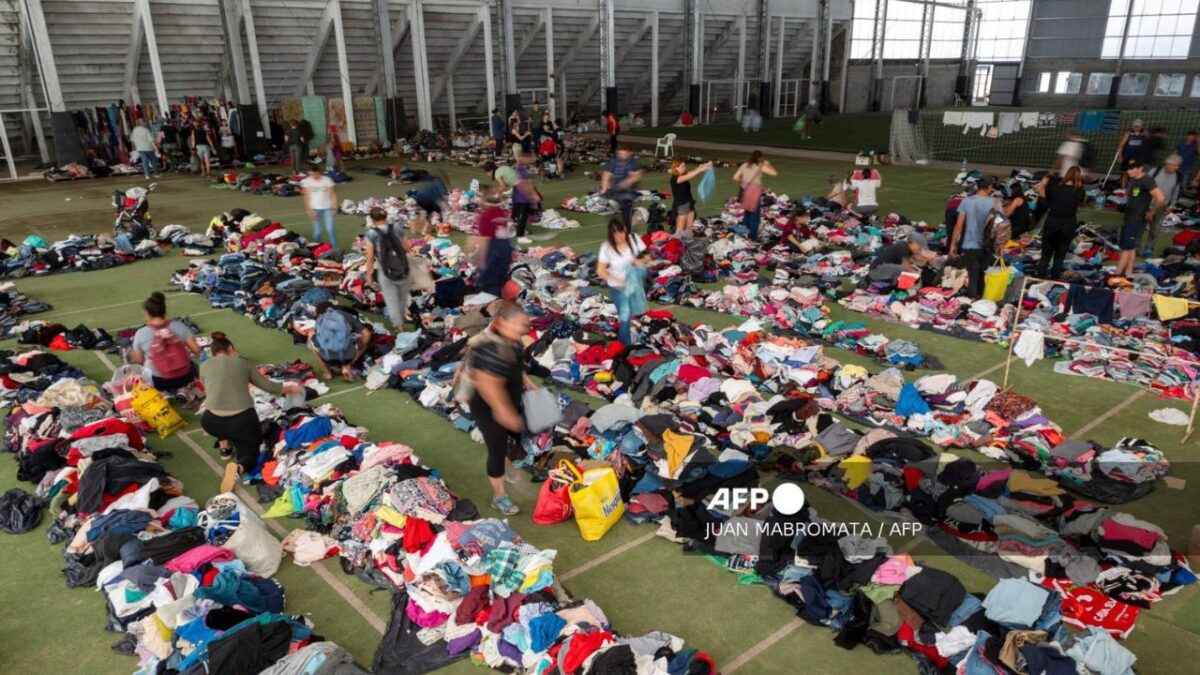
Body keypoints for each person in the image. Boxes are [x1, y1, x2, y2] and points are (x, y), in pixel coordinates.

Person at [200, 332, 302, 493]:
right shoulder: (242, 363)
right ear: (231, 348)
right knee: (250, 453)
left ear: (213, 353)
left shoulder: (204, 366)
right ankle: (239, 469)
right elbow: (270, 387)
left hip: (210, 422)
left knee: (221, 413)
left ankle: (224, 446)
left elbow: (215, 391)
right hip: (241, 422)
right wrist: (290, 387)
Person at [465, 300, 535, 516]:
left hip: (508, 396)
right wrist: (503, 412)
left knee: (513, 436)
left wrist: (529, 384)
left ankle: (505, 461)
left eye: (525, 325)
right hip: (487, 405)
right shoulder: (489, 348)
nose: (523, 330)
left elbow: (517, 366)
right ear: (503, 323)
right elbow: (487, 385)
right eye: (519, 325)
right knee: (496, 449)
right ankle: (499, 497)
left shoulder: (515, 343)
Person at [129, 292, 202, 392]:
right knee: (192, 364)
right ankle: (184, 389)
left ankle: (165, 393)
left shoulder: (140, 333)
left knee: (144, 367)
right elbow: (197, 351)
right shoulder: (179, 326)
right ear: (164, 311)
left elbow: (139, 361)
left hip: (158, 381)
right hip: (185, 377)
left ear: (147, 314)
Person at [596, 219, 646, 345]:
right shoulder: (606, 247)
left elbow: (647, 255)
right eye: (616, 235)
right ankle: (625, 345)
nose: (620, 237)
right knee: (625, 317)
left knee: (631, 315)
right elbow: (600, 270)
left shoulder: (634, 239)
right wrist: (617, 282)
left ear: (625, 230)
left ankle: (622, 342)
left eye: (621, 233)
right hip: (617, 288)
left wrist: (640, 261)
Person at [1115, 159, 1166, 278]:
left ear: (1140, 168)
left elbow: (1161, 198)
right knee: (1130, 246)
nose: (1129, 171)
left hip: (1136, 219)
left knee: (1126, 248)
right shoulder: (1134, 179)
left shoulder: (1147, 180)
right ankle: (1128, 272)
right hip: (1129, 217)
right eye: (1128, 169)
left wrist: (1151, 212)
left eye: (1132, 169)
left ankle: (1117, 275)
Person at [363, 207, 412, 329]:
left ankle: (399, 327)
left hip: (385, 271)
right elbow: (407, 247)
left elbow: (370, 258)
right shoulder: (397, 227)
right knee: (402, 298)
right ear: (385, 217)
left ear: (372, 219)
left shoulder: (371, 234)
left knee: (391, 300)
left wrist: (369, 275)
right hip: (403, 268)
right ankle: (401, 320)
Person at [1035, 167, 1086, 279]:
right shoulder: (1080, 191)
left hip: (1052, 222)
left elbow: (1043, 196)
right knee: (1060, 256)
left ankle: (1039, 278)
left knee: (1046, 255)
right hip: (1068, 225)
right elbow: (1082, 200)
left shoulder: (1055, 188)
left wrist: (1043, 184)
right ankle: (1054, 279)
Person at [949, 177, 996, 297]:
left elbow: (958, 226)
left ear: (977, 187)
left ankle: (972, 300)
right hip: (987, 245)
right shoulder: (995, 203)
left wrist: (953, 245)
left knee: (973, 276)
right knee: (981, 274)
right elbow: (1000, 227)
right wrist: (1000, 246)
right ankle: (980, 299)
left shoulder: (966, 201)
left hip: (970, 245)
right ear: (989, 187)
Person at [309, 301, 372, 381]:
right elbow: (366, 333)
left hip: (328, 358)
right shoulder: (345, 315)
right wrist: (361, 348)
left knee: (310, 336)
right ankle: (346, 366)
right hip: (349, 357)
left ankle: (327, 373)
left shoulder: (320, 319)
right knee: (359, 338)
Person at [1143, 154, 1183, 256]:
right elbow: (1144, 185)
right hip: (1146, 204)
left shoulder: (1178, 176)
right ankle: (1135, 246)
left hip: (1162, 207)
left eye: (1178, 166)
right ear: (1168, 163)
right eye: (1175, 165)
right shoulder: (1154, 172)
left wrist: (1171, 206)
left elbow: (1175, 192)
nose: (1177, 168)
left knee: (1155, 229)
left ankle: (1149, 247)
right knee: (1139, 226)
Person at [732, 151, 778, 240]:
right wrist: (768, 164)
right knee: (754, 215)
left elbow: (735, 177)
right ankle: (752, 236)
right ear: (760, 158)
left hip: (744, 189)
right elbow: (774, 173)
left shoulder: (744, 165)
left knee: (747, 213)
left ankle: (743, 233)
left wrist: (746, 180)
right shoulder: (761, 166)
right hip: (754, 191)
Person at [475, 199, 514, 297]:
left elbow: (483, 231)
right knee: (497, 273)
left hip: (492, 244)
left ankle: (485, 294)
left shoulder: (486, 215)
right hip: (501, 244)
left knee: (489, 273)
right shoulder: (499, 212)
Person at [600, 145, 644, 230]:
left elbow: (637, 175)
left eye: (624, 153)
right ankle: (616, 227)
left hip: (630, 190)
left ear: (629, 153)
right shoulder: (614, 162)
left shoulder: (634, 162)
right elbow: (606, 174)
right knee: (612, 212)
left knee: (627, 211)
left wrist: (626, 182)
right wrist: (604, 188)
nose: (622, 155)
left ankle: (627, 229)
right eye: (619, 153)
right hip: (616, 189)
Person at [669, 158, 712, 237]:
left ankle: (686, 243)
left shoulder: (683, 175)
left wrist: (704, 166)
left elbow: (692, 172)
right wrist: (700, 170)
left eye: (685, 166)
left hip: (689, 203)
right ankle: (676, 244)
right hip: (682, 206)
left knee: (689, 229)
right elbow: (689, 176)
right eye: (682, 166)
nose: (684, 168)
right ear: (676, 168)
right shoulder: (675, 179)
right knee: (680, 231)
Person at [868, 235, 934, 285]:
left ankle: (895, 284)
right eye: (918, 246)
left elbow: (917, 260)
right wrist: (917, 276)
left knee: (911, 268)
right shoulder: (902, 246)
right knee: (903, 268)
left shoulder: (908, 250)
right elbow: (906, 266)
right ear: (912, 243)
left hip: (884, 270)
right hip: (875, 271)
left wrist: (928, 260)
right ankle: (895, 286)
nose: (919, 249)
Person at [301, 163, 338, 248]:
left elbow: (332, 195)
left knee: (330, 229)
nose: (312, 176)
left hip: (327, 208)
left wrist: (335, 207)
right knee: (317, 232)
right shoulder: (306, 181)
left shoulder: (327, 180)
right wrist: (309, 211)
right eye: (310, 174)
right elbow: (306, 197)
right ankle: (315, 248)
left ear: (318, 171)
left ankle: (336, 248)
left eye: (314, 174)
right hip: (314, 209)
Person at [510, 153, 538, 242]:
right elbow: (523, 184)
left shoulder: (520, 167)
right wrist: (533, 195)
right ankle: (520, 236)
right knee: (523, 216)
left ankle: (517, 231)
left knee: (520, 215)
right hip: (522, 197)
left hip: (519, 196)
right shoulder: (521, 168)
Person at [1116, 119, 1148, 188]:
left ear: (1141, 127)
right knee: (1125, 174)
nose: (1136, 128)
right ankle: (1123, 189)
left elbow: (1147, 144)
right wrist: (1120, 156)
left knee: (1136, 174)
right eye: (1135, 126)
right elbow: (1121, 145)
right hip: (1127, 157)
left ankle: (1133, 188)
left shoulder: (1144, 134)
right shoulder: (1128, 134)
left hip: (1138, 159)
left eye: (1138, 126)